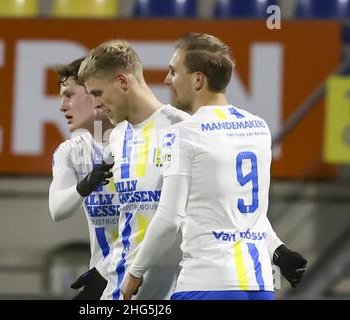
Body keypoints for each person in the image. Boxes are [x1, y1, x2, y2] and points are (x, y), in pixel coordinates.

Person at [121, 33, 307, 300]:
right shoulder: (258, 127)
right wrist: (278, 251)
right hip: (260, 285)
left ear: (198, 79)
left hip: (207, 283)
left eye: (173, 71)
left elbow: (169, 218)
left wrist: (135, 273)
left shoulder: (183, 133)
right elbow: (246, 214)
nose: (167, 80)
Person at [78, 40, 189, 300]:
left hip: (173, 291)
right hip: (120, 291)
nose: (95, 105)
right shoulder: (117, 138)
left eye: (97, 93)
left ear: (122, 82)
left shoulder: (184, 129)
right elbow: (132, 221)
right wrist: (103, 272)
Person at [48, 57, 117, 300]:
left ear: (95, 93)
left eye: (69, 95)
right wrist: (86, 185)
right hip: (105, 283)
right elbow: (57, 210)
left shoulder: (139, 143)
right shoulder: (71, 151)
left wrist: (106, 270)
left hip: (149, 283)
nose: (62, 105)